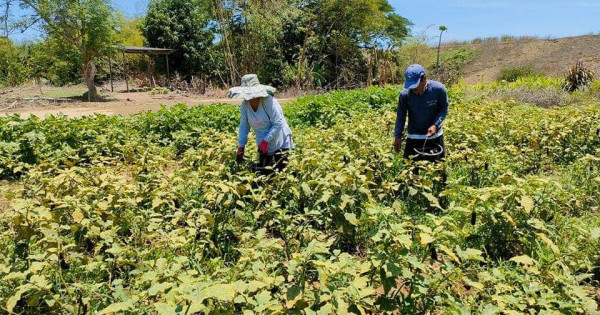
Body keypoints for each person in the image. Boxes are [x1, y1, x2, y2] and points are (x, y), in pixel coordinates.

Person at [228, 74, 294, 174]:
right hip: (262, 144)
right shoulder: (245, 105)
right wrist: (241, 146)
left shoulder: (268, 101)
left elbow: (278, 123)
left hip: (280, 140)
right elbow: (244, 126)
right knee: (265, 173)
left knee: (280, 173)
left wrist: (266, 141)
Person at [394, 64, 448, 163]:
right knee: (410, 170)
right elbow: (400, 117)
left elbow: (443, 108)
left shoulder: (438, 89)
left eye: (415, 85)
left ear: (424, 79)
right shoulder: (405, 95)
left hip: (435, 136)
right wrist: (398, 136)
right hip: (414, 136)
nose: (413, 89)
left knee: (439, 169)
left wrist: (435, 125)